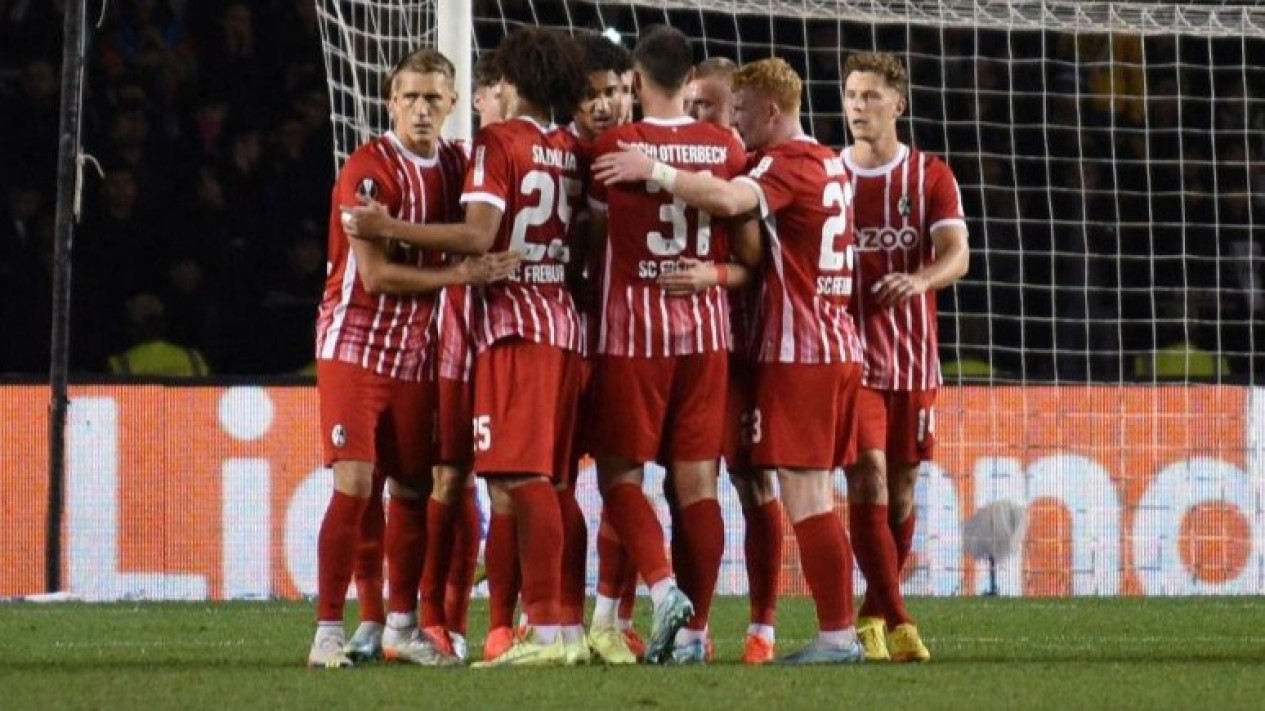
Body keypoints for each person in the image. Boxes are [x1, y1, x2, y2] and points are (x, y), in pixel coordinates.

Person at [595, 56, 866, 664]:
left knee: (805, 495)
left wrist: (653, 167)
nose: (732, 123)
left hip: (799, 350)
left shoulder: (783, 165)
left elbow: (725, 198)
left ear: (769, 110)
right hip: (827, 342)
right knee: (785, 490)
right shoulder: (830, 161)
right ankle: (785, 631)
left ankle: (836, 635)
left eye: (737, 110)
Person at [345, 26, 590, 668]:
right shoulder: (570, 147)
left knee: (522, 479)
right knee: (537, 481)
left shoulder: (498, 143)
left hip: (513, 325)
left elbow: (479, 237)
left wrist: (390, 226)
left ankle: (543, 627)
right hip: (564, 322)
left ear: (509, 83)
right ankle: (543, 624)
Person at [307, 47, 516, 669]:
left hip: (415, 350)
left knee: (412, 486)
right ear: (390, 102)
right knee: (355, 482)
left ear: (453, 103)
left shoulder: (456, 164)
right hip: (354, 342)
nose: (421, 109)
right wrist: (461, 274)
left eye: (433, 98)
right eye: (410, 98)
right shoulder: (369, 170)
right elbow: (375, 277)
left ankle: (399, 625)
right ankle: (327, 632)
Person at [586, 25, 751, 666]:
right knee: (697, 485)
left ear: (634, 79)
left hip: (634, 334)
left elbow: (588, 230)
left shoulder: (615, 146)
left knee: (619, 474)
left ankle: (662, 590)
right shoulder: (725, 146)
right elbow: (748, 243)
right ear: (689, 80)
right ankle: (695, 635)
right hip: (707, 334)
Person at [840, 51, 969, 664]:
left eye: (870, 96)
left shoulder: (929, 175)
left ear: (899, 103)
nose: (858, 106)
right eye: (850, 95)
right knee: (865, 476)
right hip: (849, 359)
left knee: (901, 490)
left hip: (914, 359)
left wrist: (920, 280)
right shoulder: (830, 174)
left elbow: (957, 253)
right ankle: (900, 619)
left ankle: (873, 613)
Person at [680, 52, 784, 665]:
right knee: (688, 485)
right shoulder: (679, 164)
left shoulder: (751, 172)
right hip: (687, 350)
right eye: (690, 104)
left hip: (749, 351)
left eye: (711, 106)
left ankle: (762, 627)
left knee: (754, 483)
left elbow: (759, 264)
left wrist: (714, 275)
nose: (698, 115)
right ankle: (693, 627)